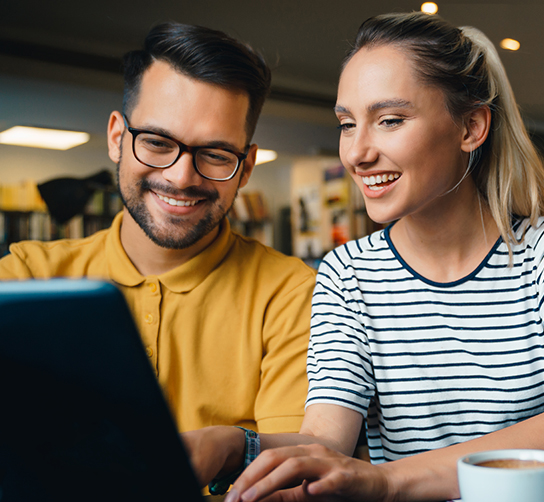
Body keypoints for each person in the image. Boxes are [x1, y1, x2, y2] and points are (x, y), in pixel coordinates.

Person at [192, 12, 544, 502]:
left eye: (390, 121)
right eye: (347, 124)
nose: (357, 153)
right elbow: (323, 442)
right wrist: (233, 444)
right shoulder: (346, 273)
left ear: (471, 126)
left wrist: (387, 480)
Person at [0, 23, 316, 437]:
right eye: (157, 142)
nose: (182, 177)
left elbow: (296, 477)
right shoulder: (26, 277)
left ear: (247, 168)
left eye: (216, 154)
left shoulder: (292, 294)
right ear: (117, 137)